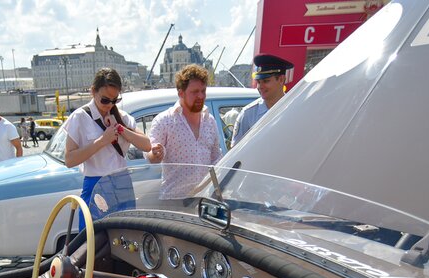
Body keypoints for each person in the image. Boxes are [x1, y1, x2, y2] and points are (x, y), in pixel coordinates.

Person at [62, 67, 151, 230]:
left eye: (115, 100)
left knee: (127, 236)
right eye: (105, 100)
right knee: (94, 238)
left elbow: (146, 145)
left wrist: (120, 129)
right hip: (96, 182)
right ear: (93, 91)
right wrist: (102, 141)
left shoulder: (121, 116)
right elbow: (69, 159)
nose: (109, 105)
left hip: (122, 181)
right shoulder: (80, 117)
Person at [145, 64, 221, 200]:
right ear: (181, 93)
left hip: (205, 200)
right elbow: (150, 153)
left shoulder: (210, 121)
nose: (200, 96)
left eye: (203, 91)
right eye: (195, 92)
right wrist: (155, 154)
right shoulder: (165, 121)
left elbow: (216, 158)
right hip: (174, 201)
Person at [231, 54, 294, 147]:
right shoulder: (248, 114)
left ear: (281, 79)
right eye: (258, 82)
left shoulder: (295, 108)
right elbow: (236, 150)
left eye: (266, 81)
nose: (260, 86)